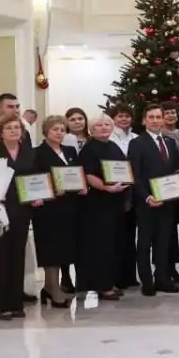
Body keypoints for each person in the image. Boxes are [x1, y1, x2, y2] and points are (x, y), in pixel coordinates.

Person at [0, 113, 37, 320]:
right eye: (9, 128)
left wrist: (38, 196)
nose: (14, 131)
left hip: (22, 210)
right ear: (1, 133)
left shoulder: (29, 153)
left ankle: (15, 302)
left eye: (17, 128)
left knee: (17, 254)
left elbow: (35, 179)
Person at [127, 103, 179, 296]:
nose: (155, 120)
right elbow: (134, 174)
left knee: (164, 241)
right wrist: (147, 197)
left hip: (168, 201)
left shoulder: (169, 142)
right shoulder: (137, 143)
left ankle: (162, 278)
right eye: (151, 117)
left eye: (158, 117)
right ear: (144, 121)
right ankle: (147, 281)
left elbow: (174, 170)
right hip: (147, 202)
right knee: (144, 243)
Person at [31, 115, 83, 308]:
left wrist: (81, 185)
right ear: (46, 132)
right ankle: (53, 288)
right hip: (48, 208)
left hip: (69, 206)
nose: (59, 133)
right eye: (55, 129)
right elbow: (33, 179)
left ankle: (50, 287)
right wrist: (51, 189)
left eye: (62, 130)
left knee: (64, 247)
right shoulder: (37, 153)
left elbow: (77, 173)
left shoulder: (70, 151)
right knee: (50, 248)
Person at [78, 115, 127, 301]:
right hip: (98, 203)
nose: (104, 127)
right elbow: (88, 174)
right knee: (101, 245)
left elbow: (124, 169)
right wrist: (107, 187)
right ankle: (102, 285)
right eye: (99, 125)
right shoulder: (90, 149)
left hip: (115, 201)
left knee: (113, 243)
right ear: (92, 129)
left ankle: (110, 281)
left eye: (107, 124)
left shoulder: (113, 146)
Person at [109, 104, 138, 288]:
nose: (124, 119)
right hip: (115, 190)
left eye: (127, 116)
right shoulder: (109, 138)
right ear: (113, 118)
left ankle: (130, 275)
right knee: (116, 234)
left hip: (134, 189)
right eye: (120, 116)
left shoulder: (136, 138)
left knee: (131, 234)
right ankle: (116, 277)